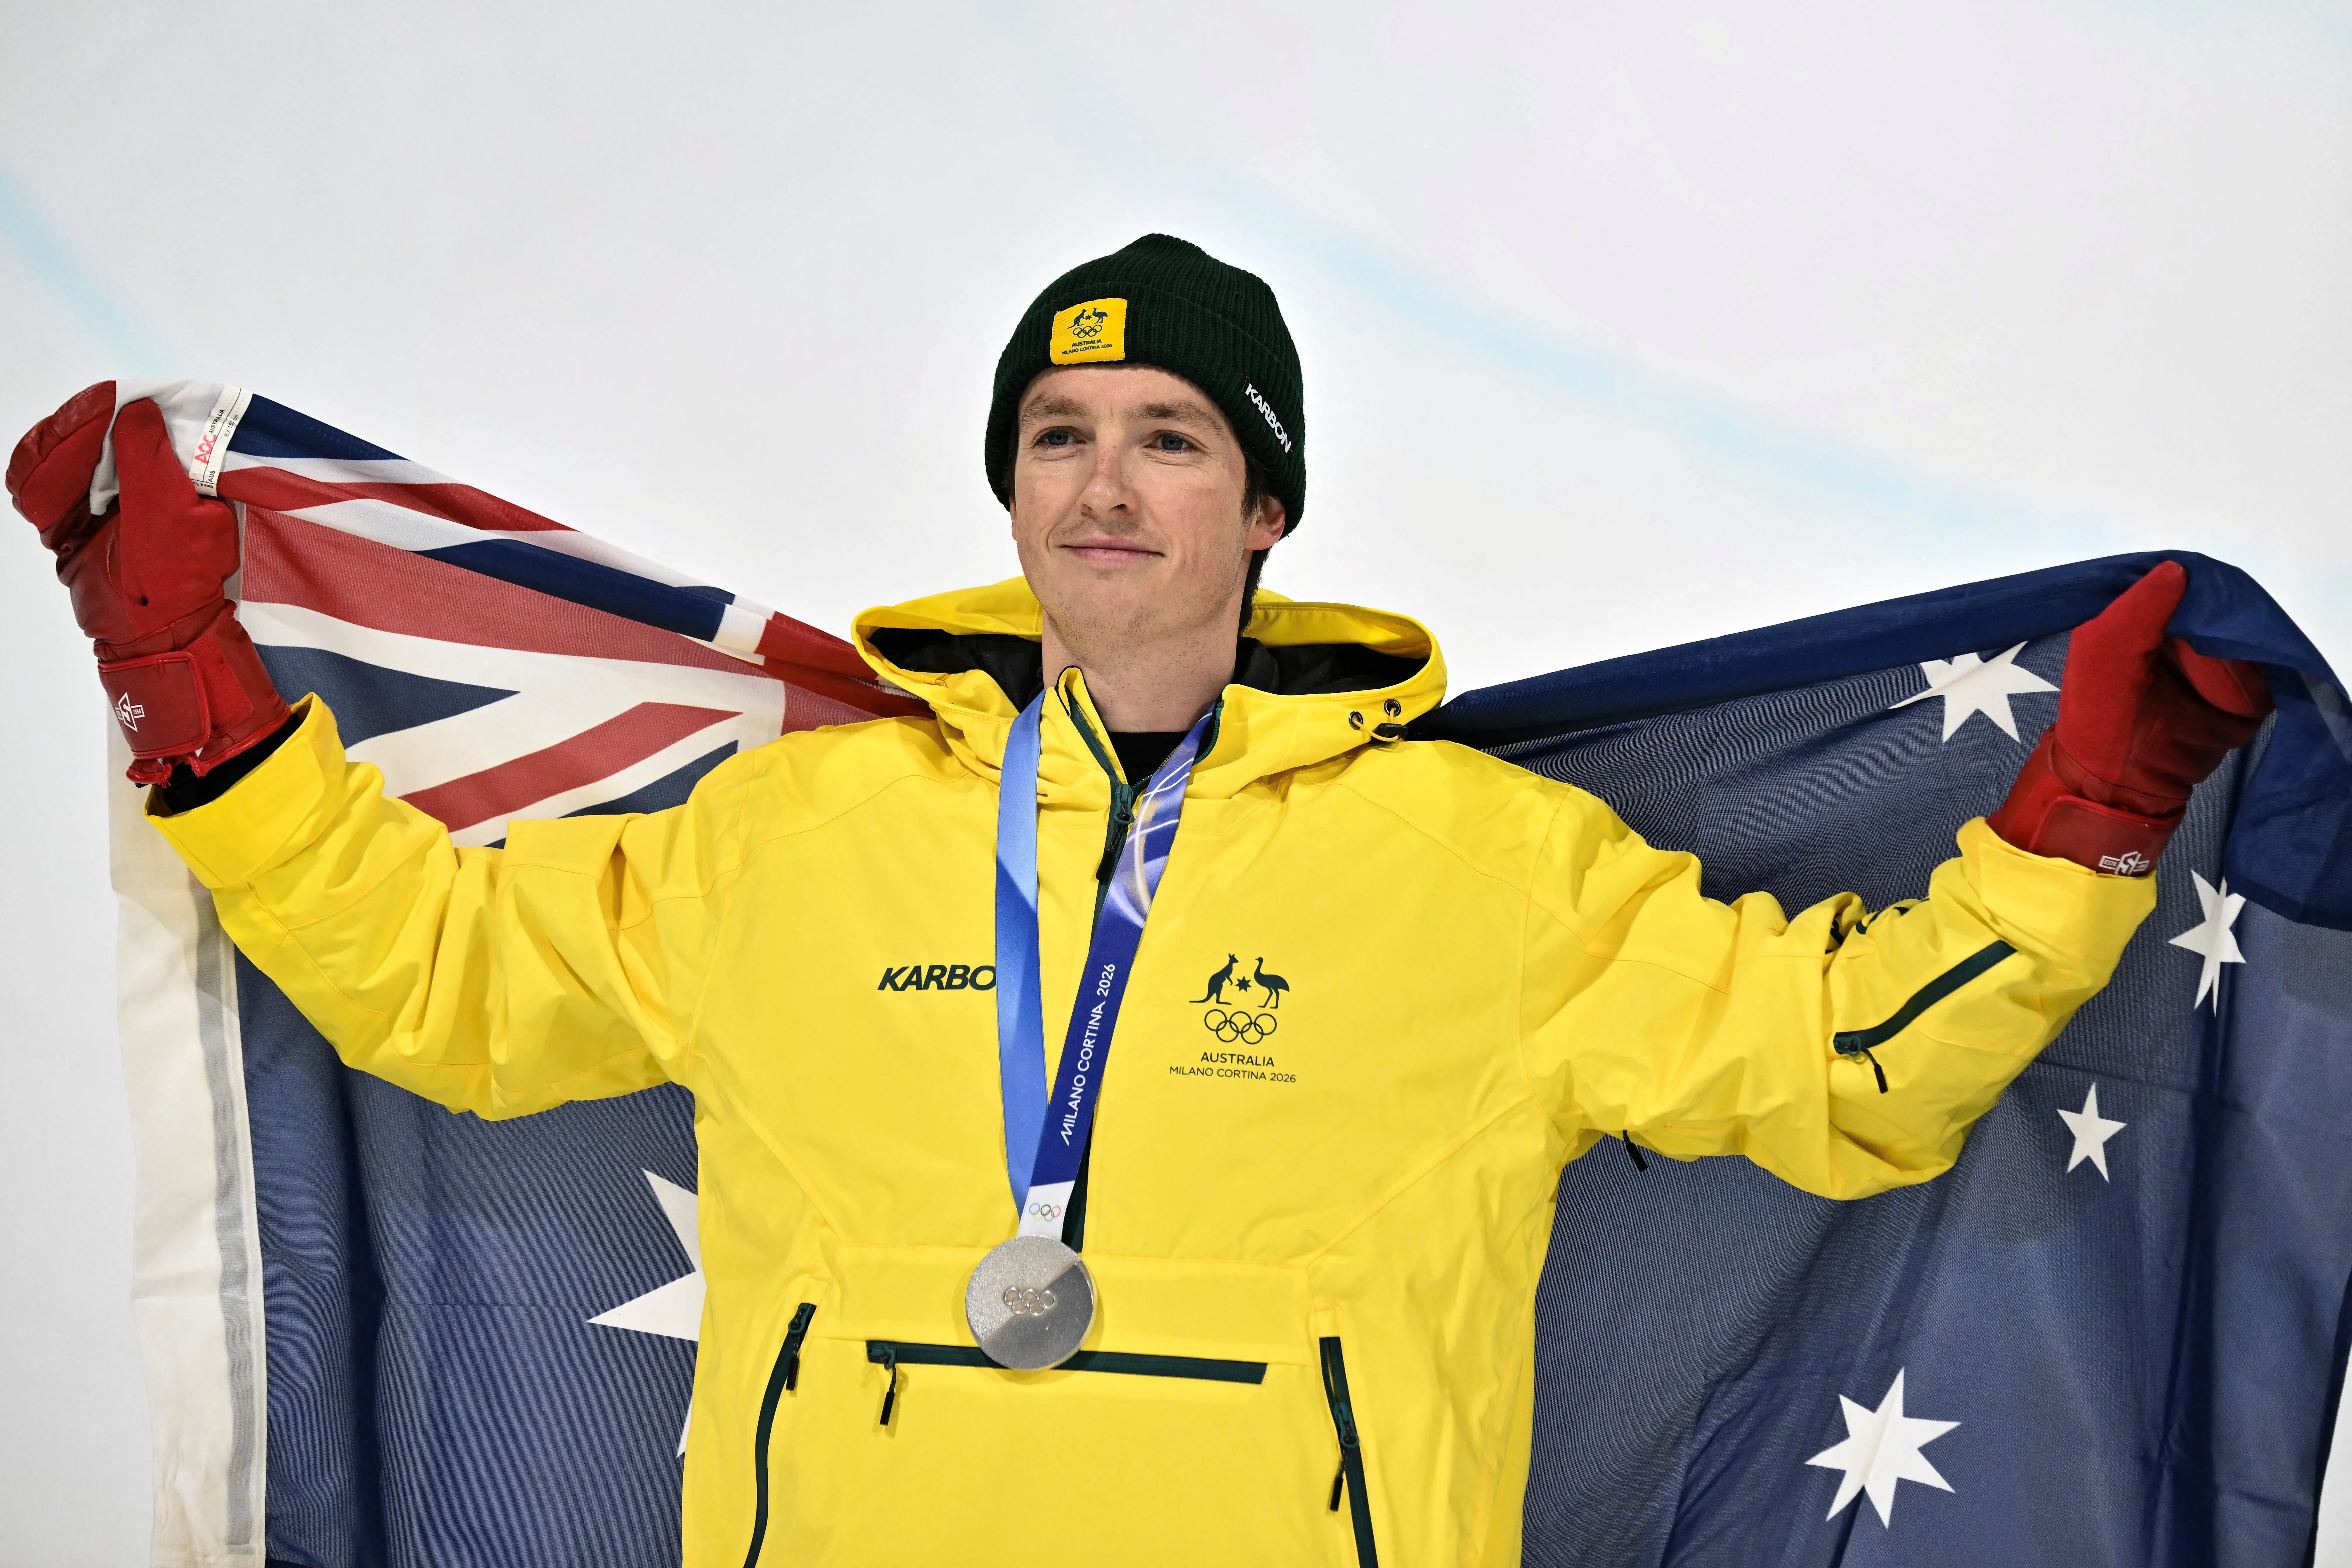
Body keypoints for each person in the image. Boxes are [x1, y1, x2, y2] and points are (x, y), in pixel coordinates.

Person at [8, 234, 2271, 1566]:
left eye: (1170, 435)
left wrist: (2090, 807)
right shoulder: (795, 832)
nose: (1103, 482)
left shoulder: (1482, 867)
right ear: (1007, 484)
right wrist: (189, 688)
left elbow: (1849, 1069)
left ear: (1266, 504)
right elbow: (446, 989)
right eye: (1059, 433)